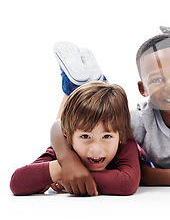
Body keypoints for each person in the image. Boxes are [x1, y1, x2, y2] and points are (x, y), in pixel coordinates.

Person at [50, 29, 170, 191]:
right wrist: (68, 161)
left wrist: (151, 176)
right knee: (103, 114)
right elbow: (60, 126)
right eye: (157, 79)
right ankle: (90, 85)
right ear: (142, 89)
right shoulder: (141, 120)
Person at [10, 82, 140, 196]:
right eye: (85, 136)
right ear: (68, 136)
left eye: (106, 136)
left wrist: (64, 175)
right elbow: (17, 182)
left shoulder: (124, 141)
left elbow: (127, 183)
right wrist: (67, 165)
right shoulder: (64, 147)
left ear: (120, 135)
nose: (96, 148)